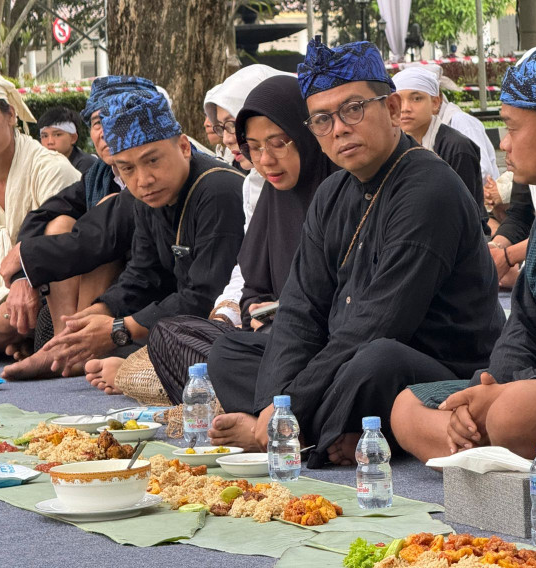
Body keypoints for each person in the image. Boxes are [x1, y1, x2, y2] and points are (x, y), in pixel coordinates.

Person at [204, 39, 503, 467]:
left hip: (429, 364)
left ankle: (289, 431)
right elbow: (300, 307)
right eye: (322, 119)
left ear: (393, 107)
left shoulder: (429, 189)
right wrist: (278, 399)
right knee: (229, 352)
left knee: (376, 360)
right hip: (348, 355)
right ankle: (324, 428)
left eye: (354, 109)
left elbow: (380, 323)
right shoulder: (333, 192)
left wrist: (279, 414)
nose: (340, 128)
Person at [86, 74, 335, 401]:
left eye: (277, 143)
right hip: (264, 339)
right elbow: (248, 279)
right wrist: (251, 310)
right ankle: (236, 394)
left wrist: (122, 328)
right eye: (255, 147)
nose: (265, 159)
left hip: (322, 344)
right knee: (174, 336)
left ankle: (221, 395)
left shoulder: (333, 190)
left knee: (213, 352)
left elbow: (347, 296)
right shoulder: (270, 191)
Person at [391, 47, 536, 462]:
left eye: (511, 128)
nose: (504, 143)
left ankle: (484, 446)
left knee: (512, 415)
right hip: (531, 382)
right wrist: (490, 386)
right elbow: (524, 325)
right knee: (405, 408)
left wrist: (507, 394)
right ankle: (484, 447)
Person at [38, 90, 245, 376]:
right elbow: (142, 274)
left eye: (153, 161)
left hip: (227, 325)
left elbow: (204, 296)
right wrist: (100, 313)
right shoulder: (148, 197)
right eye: (127, 169)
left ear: (184, 147)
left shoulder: (219, 190)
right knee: (87, 349)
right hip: (175, 321)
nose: (143, 180)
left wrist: (120, 330)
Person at [0, 76, 160, 379]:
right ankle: (65, 343)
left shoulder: (162, 172)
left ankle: (72, 347)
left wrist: (27, 257)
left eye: (117, 119)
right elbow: (41, 216)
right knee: (59, 223)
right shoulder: (98, 173)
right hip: (87, 298)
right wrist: (22, 274)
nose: (107, 132)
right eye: (98, 123)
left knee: (101, 215)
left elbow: (98, 237)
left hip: (146, 289)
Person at [0, 69, 79, 358]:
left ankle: (9, 345)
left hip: (47, 287)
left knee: (11, 314)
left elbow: (51, 256)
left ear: (10, 115)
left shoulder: (50, 169)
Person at [392, 66, 486, 225]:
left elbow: (464, 214)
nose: (406, 108)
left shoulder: (457, 148)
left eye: (416, 99)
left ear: (435, 103)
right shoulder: (392, 148)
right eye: (399, 100)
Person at [37, 105, 96, 174]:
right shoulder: (40, 164)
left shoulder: (87, 165)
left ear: (73, 138)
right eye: (44, 136)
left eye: (57, 135)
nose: (50, 142)